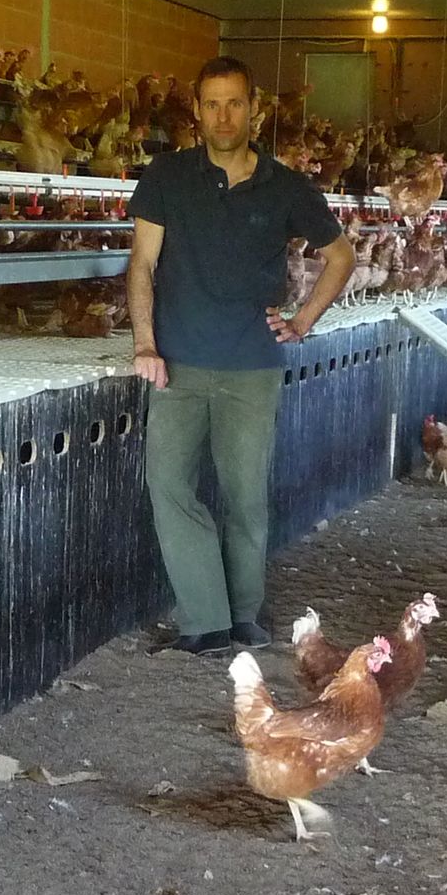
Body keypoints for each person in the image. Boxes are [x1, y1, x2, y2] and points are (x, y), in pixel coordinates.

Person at [125, 55, 355, 655]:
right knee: (170, 486)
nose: (223, 115)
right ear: (196, 112)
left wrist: (303, 320)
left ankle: (244, 615)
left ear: (254, 109)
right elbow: (142, 265)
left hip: (252, 365)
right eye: (211, 104)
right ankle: (206, 622)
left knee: (245, 495)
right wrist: (145, 344)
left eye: (234, 103)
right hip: (175, 363)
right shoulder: (167, 177)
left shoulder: (286, 186)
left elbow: (341, 257)